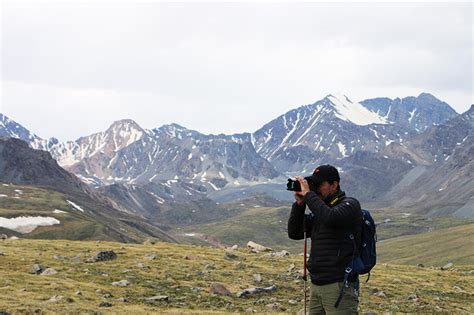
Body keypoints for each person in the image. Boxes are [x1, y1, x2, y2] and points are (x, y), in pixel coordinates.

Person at [288, 164, 362, 315]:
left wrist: (309, 195)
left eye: (319, 185)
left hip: (338, 285)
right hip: (317, 284)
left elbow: (331, 218)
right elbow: (295, 232)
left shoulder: (349, 205)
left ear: (334, 185)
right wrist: (299, 204)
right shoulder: (321, 211)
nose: (315, 189)